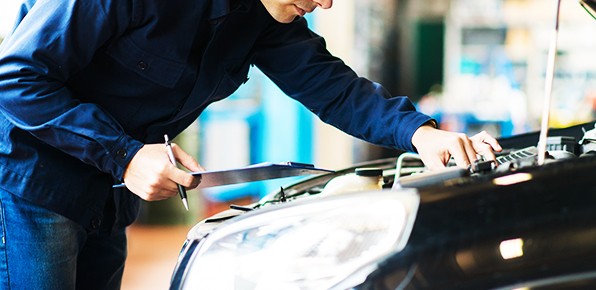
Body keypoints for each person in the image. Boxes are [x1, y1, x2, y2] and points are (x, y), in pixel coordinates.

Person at [0, 0, 501, 288]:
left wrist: (422, 134)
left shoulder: (263, 22)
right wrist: (125, 153)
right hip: (31, 187)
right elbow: (15, 76)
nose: (326, 1)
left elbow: (337, 89)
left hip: (106, 199)